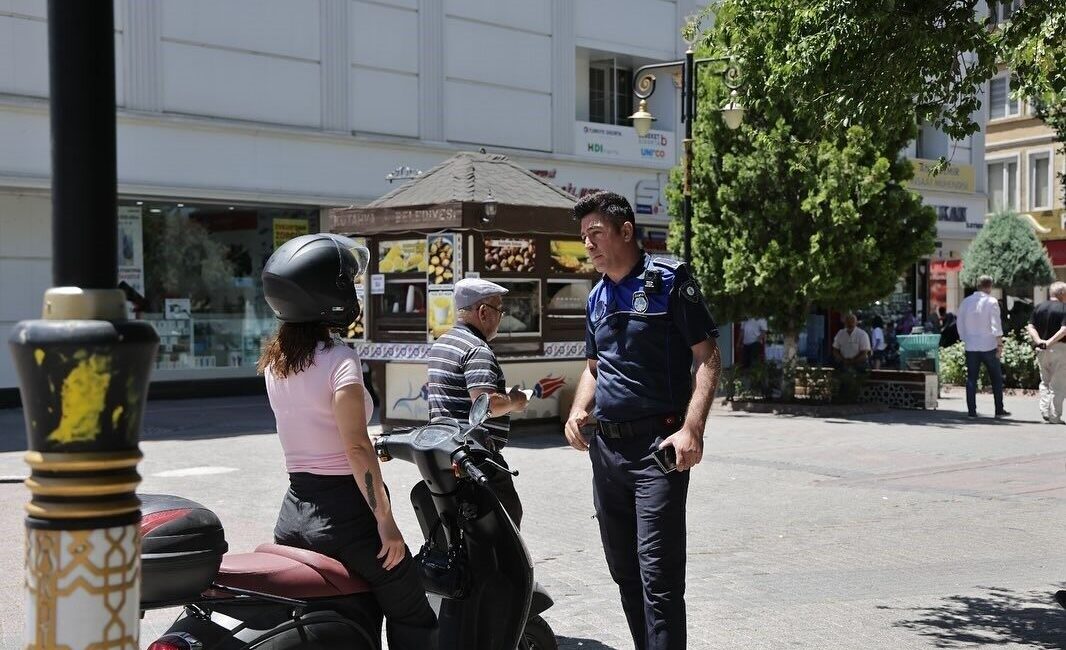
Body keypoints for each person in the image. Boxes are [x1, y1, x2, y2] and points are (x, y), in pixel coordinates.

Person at [259, 234, 437, 649]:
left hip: (293, 515)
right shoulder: (339, 359)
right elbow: (356, 448)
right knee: (412, 610)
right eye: (349, 283)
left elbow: (310, 424)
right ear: (329, 294)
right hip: (346, 519)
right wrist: (387, 525)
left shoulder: (275, 363)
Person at [564, 191, 721, 650]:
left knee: (659, 576)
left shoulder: (669, 281)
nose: (588, 244)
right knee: (625, 573)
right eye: (583, 237)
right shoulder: (595, 297)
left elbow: (708, 357)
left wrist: (693, 428)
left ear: (625, 231)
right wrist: (578, 409)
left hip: (658, 451)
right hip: (607, 453)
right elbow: (595, 367)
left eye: (595, 233)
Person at [426, 278, 529, 527]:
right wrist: (516, 400)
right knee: (506, 528)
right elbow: (487, 404)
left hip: (445, 451)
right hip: (477, 459)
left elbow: (461, 393)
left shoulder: (443, 343)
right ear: (483, 312)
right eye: (500, 311)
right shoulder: (476, 349)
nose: (501, 317)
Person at [956, 275, 1010, 419]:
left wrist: (964, 338)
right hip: (989, 345)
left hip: (971, 346)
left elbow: (959, 322)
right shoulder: (992, 302)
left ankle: (971, 411)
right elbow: (996, 325)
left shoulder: (966, 302)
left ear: (977, 285)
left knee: (971, 378)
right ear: (990, 286)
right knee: (996, 378)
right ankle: (999, 409)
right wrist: (999, 344)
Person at [1027, 282, 1066, 424]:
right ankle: (1055, 416)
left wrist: (1039, 341)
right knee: (1058, 384)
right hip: (1060, 348)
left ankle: (1044, 410)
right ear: (1062, 293)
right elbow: (1064, 330)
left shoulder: (1039, 307)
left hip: (1041, 349)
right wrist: (1049, 342)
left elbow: (1030, 326)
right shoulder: (1064, 308)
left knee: (1045, 381)